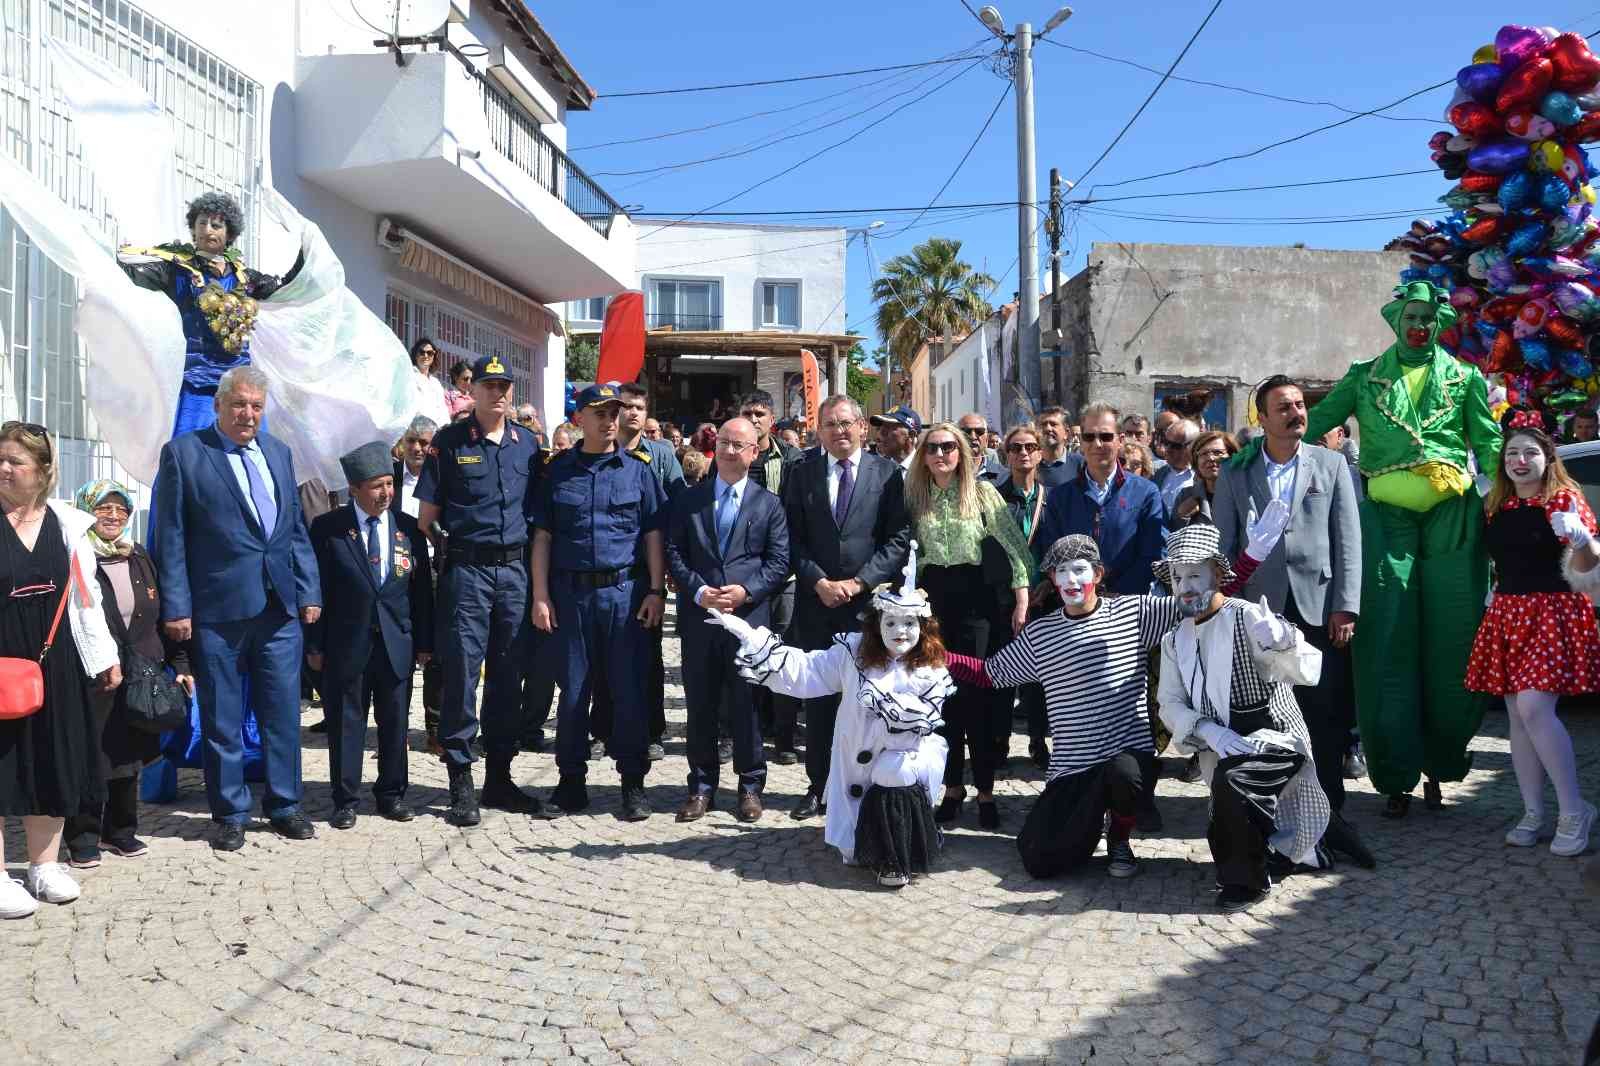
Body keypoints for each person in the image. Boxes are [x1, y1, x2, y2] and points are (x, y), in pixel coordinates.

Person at [1288, 280, 1501, 817]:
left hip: (1453, 519)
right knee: (1386, 644)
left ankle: (1440, 765)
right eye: (1411, 315)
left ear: (1439, 323)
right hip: (1384, 521)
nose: (1419, 325)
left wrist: (1516, 504)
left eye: (1429, 317)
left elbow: (1491, 449)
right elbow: (1312, 425)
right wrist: (1259, 456)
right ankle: (1396, 777)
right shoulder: (1365, 378)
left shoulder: (1467, 378)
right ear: (1396, 319)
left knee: (1453, 642)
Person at [710, 547, 953, 887]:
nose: (901, 631)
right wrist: (751, 636)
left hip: (903, 767)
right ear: (876, 624)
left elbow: (918, 722)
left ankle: (899, 852)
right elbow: (808, 671)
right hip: (855, 767)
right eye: (892, 622)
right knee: (854, 848)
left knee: (892, 771)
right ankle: (867, 839)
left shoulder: (931, 669)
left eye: (910, 623)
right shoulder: (852, 653)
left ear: (923, 627)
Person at [151, 367, 320, 851]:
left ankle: (286, 804)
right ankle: (230, 811)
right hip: (217, 611)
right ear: (219, 406)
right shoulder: (185, 454)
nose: (248, 414)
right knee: (223, 716)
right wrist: (177, 607)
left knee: (283, 713)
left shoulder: (278, 453)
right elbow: (172, 537)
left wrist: (308, 591)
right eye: (240, 404)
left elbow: (292, 530)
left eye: (256, 407)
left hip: (278, 609)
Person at [1214, 376, 1371, 867]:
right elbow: (1223, 543)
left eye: (1301, 405)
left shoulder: (1331, 463)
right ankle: (1279, 819)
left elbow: (1348, 538)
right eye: (1284, 407)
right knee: (1270, 721)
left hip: (1319, 611)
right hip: (1261, 614)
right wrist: (1227, 607)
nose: (1296, 413)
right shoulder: (1238, 471)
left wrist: (1347, 605)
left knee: (1324, 720)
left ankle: (1329, 820)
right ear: (1262, 418)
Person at [1155, 524, 1332, 912]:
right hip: (1221, 742)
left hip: (1275, 735)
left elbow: (1303, 670)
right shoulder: (1174, 640)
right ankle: (1292, 849)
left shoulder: (1247, 615)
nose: (1185, 585)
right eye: (1178, 576)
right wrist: (1207, 731)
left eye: (1195, 575)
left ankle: (1248, 881)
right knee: (1227, 781)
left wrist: (1282, 640)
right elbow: (1168, 702)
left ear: (1218, 576)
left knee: (1236, 780)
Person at [415, 353, 542, 826]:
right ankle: (461, 781)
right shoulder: (449, 442)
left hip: (514, 573)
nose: (499, 393)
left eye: (505, 385)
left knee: (509, 675)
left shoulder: (527, 444)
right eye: (490, 385)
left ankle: (500, 778)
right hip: (467, 573)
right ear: (474, 392)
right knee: (463, 675)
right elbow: (428, 520)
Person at [1466, 406, 1599, 856]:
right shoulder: (1496, 504)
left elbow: (1588, 569)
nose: (1519, 461)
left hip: (1553, 612)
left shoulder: (1564, 499)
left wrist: (1583, 542)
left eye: (1529, 453)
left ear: (1547, 458)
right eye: (1511, 454)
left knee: (1534, 707)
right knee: (1519, 719)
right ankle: (1533, 812)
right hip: (1507, 612)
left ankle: (1573, 810)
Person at [532, 384, 669, 820]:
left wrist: (655, 589)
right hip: (570, 596)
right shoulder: (557, 472)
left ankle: (633, 783)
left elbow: (652, 534)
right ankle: (571, 782)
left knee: (628, 689)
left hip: (624, 594)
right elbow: (542, 538)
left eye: (615, 411)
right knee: (573, 690)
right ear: (579, 420)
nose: (611, 419)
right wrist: (539, 595)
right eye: (600, 412)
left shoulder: (638, 470)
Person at [0, 425, 121, 916]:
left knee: (53, 757)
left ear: (44, 472)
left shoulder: (69, 525)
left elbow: (87, 599)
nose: (4, 469)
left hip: (55, 660)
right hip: (1, 657)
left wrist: (105, 656)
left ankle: (44, 865)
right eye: (1, 459)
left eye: (16, 462)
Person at [781, 395, 912, 821]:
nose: (839, 431)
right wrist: (818, 580)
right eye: (829, 424)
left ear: (861, 427)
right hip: (816, 603)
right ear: (819, 431)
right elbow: (790, 538)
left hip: (867, 606)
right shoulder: (800, 473)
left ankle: (867, 786)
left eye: (845, 423)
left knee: (870, 700)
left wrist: (859, 582)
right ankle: (817, 786)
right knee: (820, 701)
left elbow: (897, 539)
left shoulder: (888, 474)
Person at [906, 423, 1033, 831]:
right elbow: (908, 554)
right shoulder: (915, 497)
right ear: (923, 455)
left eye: (948, 447)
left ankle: (985, 791)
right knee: (942, 703)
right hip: (934, 604)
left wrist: (1022, 598)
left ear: (961, 452)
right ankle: (952, 789)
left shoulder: (982, 493)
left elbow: (1014, 547)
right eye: (932, 448)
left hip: (976, 605)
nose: (941, 454)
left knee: (976, 700)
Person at [64, 480, 192, 869]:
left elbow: (166, 615)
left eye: (121, 509)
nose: (114, 516)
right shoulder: (75, 556)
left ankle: (120, 831)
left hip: (142, 670)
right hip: (92, 672)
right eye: (104, 507)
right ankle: (82, 836)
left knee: (129, 752)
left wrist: (182, 665)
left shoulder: (139, 556)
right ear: (86, 509)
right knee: (90, 753)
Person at [668, 417, 789, 824]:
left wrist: (747, 591)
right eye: (723, 442)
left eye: (739, 445)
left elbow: (778, 561)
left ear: (755, 452)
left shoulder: (768, 504)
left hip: (748, 622)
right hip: (701, 618)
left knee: (747, 706)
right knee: (700, 705)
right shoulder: (690, 499)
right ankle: (701, 786)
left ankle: (751, 786)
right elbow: (675, 553)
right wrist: (699, 591)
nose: (729, 450)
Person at [307, 443, 434, 829]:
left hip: (397, 643)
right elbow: (316, 590)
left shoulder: (409, 529)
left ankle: (391, 794)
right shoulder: (329, 529)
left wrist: (425, 642)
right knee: (347, 723)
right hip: (347, 644)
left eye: (390, 484)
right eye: (377, 486)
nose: (386, 493)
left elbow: (421, 592)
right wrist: (314, 644)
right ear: (355, 488)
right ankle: (345, 799)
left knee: (395, 723)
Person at [117, 192, 302, 443]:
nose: (207, 229)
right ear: (193, 228)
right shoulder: (178, 269)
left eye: (216, 224)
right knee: (192, 456)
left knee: (253, 453)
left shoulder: (243, 277)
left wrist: (307, 256)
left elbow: (283, 288)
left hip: (241, 385)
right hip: (199, 384)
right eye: (201, 223)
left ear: (229, 233)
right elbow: (134, 274)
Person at [1034, 402, 1166, 595]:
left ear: (1120, 440)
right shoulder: (1060, 497)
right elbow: (1053, 553)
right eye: (1089, 437)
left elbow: (1152, 554)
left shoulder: (1146, 492)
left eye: (1105, 436)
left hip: (1128, 604)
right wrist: (1085, 595)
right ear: (1080, 440)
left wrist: (1117, 596)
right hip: (1077, 606)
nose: (1097, 444)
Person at [739, 390, 802, 761]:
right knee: (744, 652)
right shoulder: (730, 457)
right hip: (742, 576)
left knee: (783, 654)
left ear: (772, 417)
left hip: (785, 577)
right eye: (748, 412)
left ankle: (783, 737)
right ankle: (741, 730)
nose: (755, 418)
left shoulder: (793, 459)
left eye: (760, 412)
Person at [995, 424, 1050, 769]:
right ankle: (998, 740)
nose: (1023, 453)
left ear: (1041, 453)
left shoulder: (1054, 498)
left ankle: (1038, 739)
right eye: (1015, 448)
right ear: (1006, 455)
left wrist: (1046, 583)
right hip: (1002, 598)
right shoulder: (996, 499)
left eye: (1030, 446)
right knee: (1003, 672)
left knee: (1042, 675)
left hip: (1045, 597)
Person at [1168, 430, 1237, 530]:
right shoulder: (1186, 495)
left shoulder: (1243, 493)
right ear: (1196, 461)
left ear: (1232, 456)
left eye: (1217, 452)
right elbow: (1173, 535)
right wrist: (1182, 516)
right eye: (1204, 454)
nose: (1210, 458)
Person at [392, 416, 436, 522]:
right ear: (402, 441)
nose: (416, 448)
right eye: (411, 441)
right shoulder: (390, 475)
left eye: (423, 442)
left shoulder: (443, 477)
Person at [1154, 419, 1200, 515]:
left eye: (1175, 446)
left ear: (1193, 446)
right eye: (1166, 442)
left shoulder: (1202, 476)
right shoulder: (1156, 472)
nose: (1168, 449)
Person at [1035, 406, 1083, 486]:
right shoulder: (1031, 464)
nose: (1048, 428)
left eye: (1053, 424)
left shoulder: (1080, 464)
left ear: (1066, 433)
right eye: (1043, 424)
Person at [408, 337, 449, 426]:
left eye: (430, 353)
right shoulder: (409, 376)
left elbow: (442, 409)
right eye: (422, 352)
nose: (426, 356)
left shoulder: (436, 383)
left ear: (434, 356)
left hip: (436, 430)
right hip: (416, 428)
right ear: (415, 355)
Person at [870, 406, 921, 473]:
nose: (881, 433)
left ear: (911, 435)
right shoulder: (876, 469)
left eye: (889, 427)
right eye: (880, 428)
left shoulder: (928, 468)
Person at [958, 412, 1005, 481]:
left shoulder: (1004, 477)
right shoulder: (947, 472)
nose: (973, 437)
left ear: (986, 438)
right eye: (966, 431)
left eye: (979, 431)